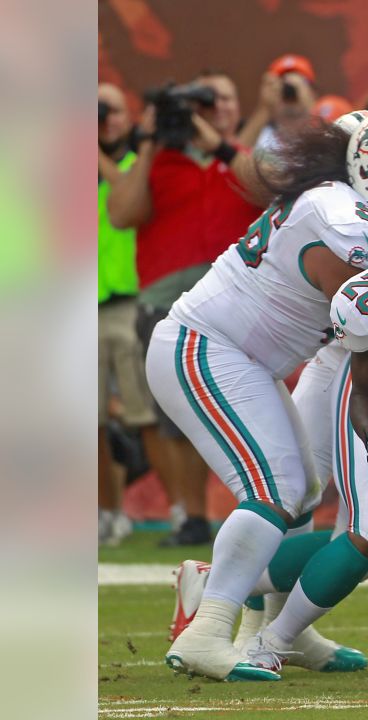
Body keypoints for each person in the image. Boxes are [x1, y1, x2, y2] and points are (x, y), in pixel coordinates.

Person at [149, 109, 368, 682]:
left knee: (303, 489)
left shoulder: (337, 198)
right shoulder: (341, 216)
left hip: (244, 357)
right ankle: (208, 625)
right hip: (205, 346)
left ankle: (280, 629)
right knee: (276, 487)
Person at [108, 69, 269, 547]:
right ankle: (193, 516)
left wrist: (216, 142)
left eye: (222, 99)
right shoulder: (157, 162)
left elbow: (263, 191)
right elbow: (122, 213)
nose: (214, 108)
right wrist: (154, 143)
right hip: (165, 298)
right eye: (205, 102)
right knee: (172, 412)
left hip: (238, 295)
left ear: (238, 108)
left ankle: (260, 504)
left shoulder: (239, 158)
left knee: (251, 399)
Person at [98, 82, 167, 545]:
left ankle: (182, 509)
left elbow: (129, 203)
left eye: (111, 110)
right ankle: (108, 512)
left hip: (129, 301)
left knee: (146, 414)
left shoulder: (137, 162)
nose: (103, 119)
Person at [240, 54, 319, 153]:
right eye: (283, 87)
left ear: (313, 93)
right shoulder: (259, 139)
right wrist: (264, 109)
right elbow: (232, 162)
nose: (289, 92)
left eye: (299, 82)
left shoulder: (324, 136)